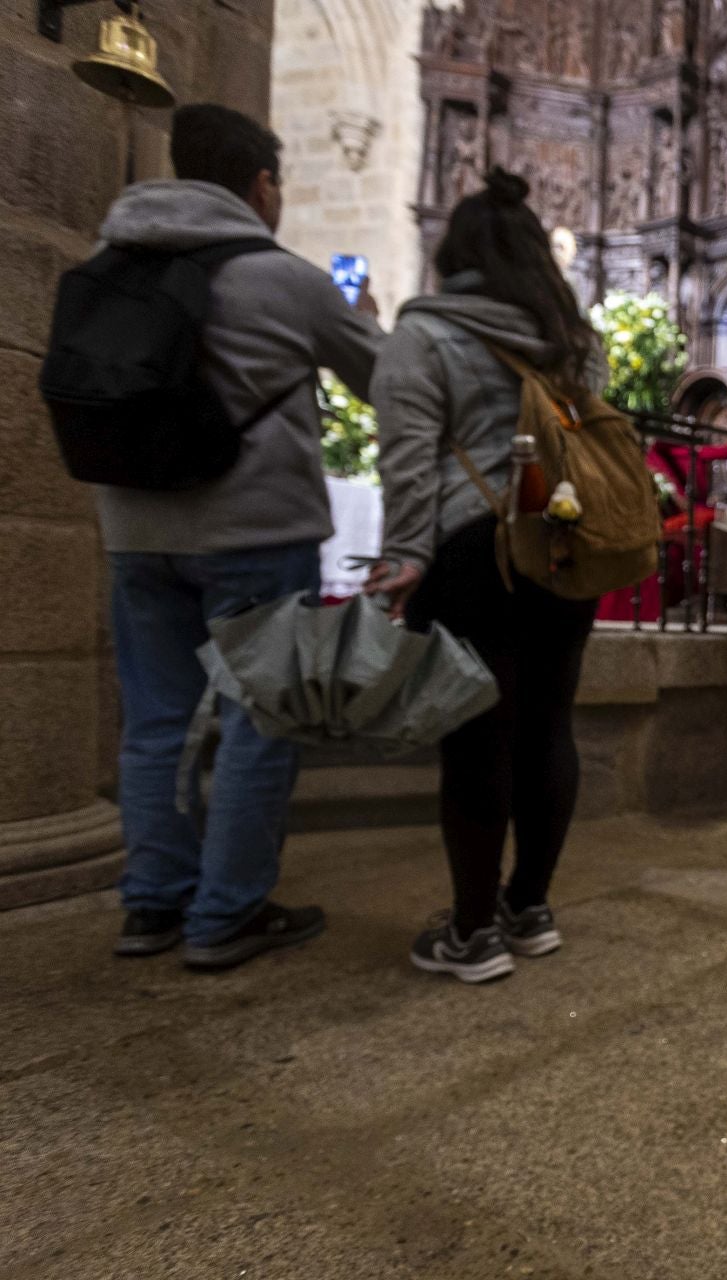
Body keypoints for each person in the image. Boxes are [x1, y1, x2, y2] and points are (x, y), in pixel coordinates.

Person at [99, 104, 382, 969]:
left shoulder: (110, 262)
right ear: (261, 187)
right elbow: (383, 379)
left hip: (137, 529)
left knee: (153, 724)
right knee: (260, 722)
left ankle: (153, 904)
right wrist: (360, 312)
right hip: (256, 532)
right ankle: (226, 914)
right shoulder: (284, 279)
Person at [365, 168, 603, 984]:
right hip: (567, 545)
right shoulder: (572, 340)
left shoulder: (423, 336)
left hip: (471, 552)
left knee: (477, 738)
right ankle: (528, 908)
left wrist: (403, 559)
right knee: (548, 727)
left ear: (452, 253)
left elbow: (408, 462)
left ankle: (472, 932)